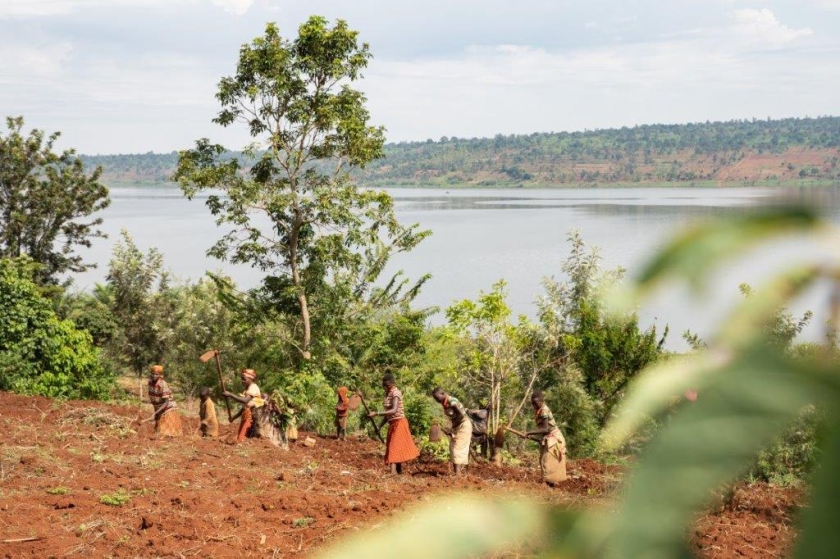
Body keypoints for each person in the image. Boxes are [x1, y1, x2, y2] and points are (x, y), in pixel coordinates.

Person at [223, 369, 288, 449]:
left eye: (244, 379)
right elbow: (245, 407)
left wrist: (230, 395)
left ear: (251, 379)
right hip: (246, 414)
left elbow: (245, 400)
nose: (242, 381)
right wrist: (233, 417)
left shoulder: (253, 387)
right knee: (241, 436)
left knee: (241, 438)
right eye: (242, 379)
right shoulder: (247, 389)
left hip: (251, 416)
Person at [368, 373, 419, 474]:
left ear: (392, 383)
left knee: (394, 447)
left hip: (400, 423)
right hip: (393, 424)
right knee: (395, 447)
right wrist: (379, 426)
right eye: (384, 385)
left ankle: (392, 474)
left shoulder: (396, 393)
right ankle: (399, 472)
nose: (386, 387)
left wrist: (377, 413)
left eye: (388, 385)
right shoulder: (387, 394)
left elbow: (394, 410)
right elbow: (388, 415)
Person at [526, 390, 567, 486]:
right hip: (548, 438)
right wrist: (530, 435)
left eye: (536, 403)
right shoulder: (538, 410)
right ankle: (550, 483)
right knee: (544, 460)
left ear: (541, 401)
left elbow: (545, 429)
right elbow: (543, 429)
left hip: (554, 438)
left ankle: (551, 483)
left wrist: (528, 432)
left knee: (548, 460)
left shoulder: (544, 410)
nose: (534, 405)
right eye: (533, 403)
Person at [432, 387, 473, 475]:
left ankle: (458, 474)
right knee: (453, 447)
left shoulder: (452, 401)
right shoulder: (445, 403)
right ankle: (459, 473)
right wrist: (451, 430)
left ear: (443, 393)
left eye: (437, 397)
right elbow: (455, 417)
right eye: (435, 398)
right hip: (458, 426)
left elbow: (461, 415)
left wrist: (452, 429)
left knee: (457, 448)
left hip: (464, 425)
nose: (436, 399)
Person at [148, 365, 183, 437]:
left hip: (168, 409)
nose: (154, 376)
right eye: (153, 373)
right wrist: (156, 413)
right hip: (159, 408)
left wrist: (156, 413)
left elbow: (166, 402)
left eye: (156, 374)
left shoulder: (162, 384)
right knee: (158, 430)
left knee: (168, 433)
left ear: (160, 375)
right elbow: (154, 399)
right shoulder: (150, 382)